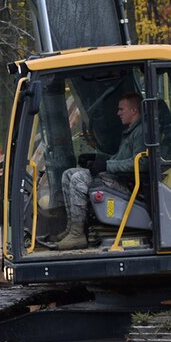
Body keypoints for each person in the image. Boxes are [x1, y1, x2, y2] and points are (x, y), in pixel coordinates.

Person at [54, 92, 144, 250]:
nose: (118, 113)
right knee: (68, 174)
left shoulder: (142, 132)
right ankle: (72, 229)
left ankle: (78, 234)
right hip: (120, 177)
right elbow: (118, 159)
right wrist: (97, 158)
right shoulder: (131, 131)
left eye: (121, 109)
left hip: (130, 183)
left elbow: (141, 163)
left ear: (133, 111)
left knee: (78, 179)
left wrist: (105, 165)